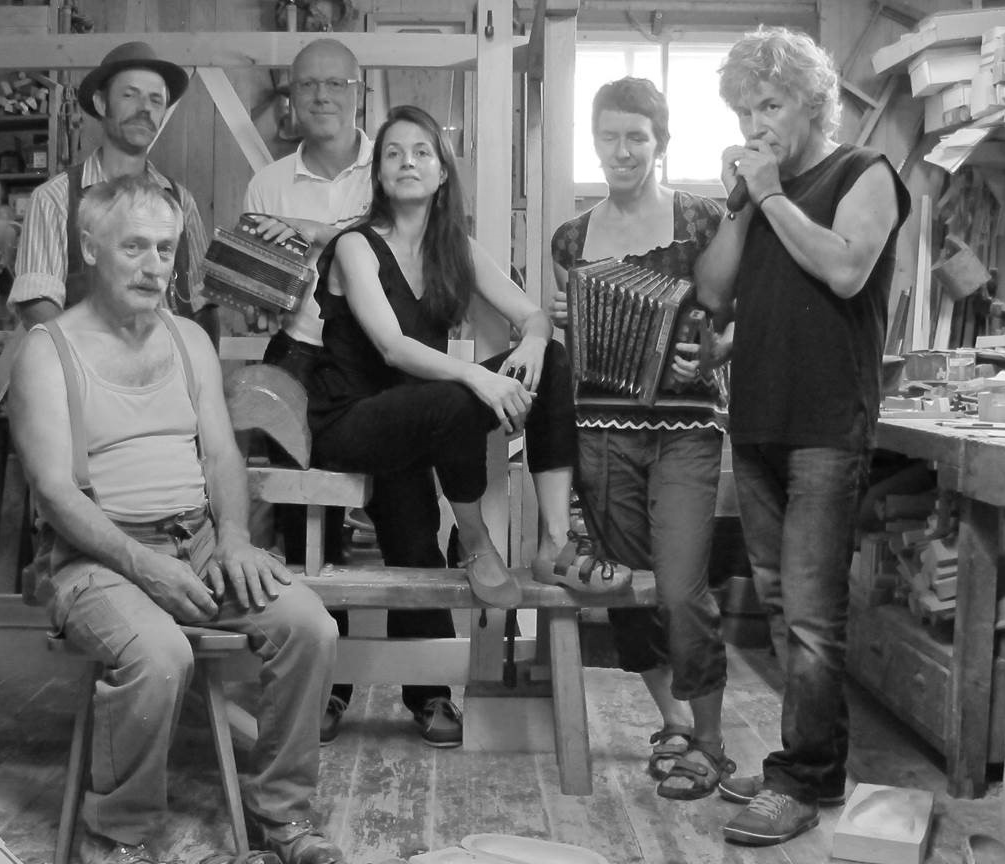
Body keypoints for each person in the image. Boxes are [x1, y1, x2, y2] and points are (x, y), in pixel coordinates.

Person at [8, 176, 342, 864]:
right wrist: (145, 567)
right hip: (96, 556)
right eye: (134, 247)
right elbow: (55, 494)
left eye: (164, 249)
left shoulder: (189, 339)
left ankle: (283, 813)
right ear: (90, 248)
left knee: (309, 626)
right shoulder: (47, 351)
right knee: (162, 654)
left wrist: (233, 538)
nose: (153, 265)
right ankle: (115, 835)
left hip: (198, 541)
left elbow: (220, 455)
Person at [306, 105, 632, 736]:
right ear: (378, 174)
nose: (407, 162)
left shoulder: (453, 248)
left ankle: (552, 544)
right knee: (457, 395)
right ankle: (478, 541)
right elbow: (394, 347)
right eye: (393, 153)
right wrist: (480, 377)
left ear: (442, 172)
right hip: (352, 422)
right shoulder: (354, 245)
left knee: (550, 363)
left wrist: (532, 340)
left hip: (423, 421)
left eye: (421, 152)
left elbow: (533, 314)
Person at [703, 27, 910, 845]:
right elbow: (716, 294)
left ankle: (805, 777)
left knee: (815, 619)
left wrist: (772, 197)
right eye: (745, 110)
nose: (756, 123)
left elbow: (847, 270)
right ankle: (807, 762)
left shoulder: (865, 173)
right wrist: (741, 203)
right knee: (783, 607)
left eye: (770, 104)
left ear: (813, 102)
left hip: (826, 422)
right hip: (756, 419)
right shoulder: (762, 195)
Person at [245, 39, 451, 747]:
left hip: (383, 356)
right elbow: (264, 283)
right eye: (308, 86)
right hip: (301, 355)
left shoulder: (392, 160)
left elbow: (409, 233)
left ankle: (430, 687)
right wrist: (252, 283)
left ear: (358, 93)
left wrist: (317, 234)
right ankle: (323, 688)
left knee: (410, 517)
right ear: (291, 96)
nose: (322, 96)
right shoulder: (269, 182)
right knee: (309, 527)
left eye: (336, 84)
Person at [550, 77, 734, 802]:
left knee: (682, 589)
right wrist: (567, 320)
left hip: (687, 427)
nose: (621, 150)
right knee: (624, 586)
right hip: (601, 430)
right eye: (609, 136)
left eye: (636, 136)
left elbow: (741, 312)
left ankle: (711, 744)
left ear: (661, 143)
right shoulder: (572, 238)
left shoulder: (702, 220)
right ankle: (674, 722)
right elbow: (575, 337)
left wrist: (715, 355)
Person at [9, 41, 218, 343]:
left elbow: (202, 303)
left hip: (169, 368)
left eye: (156, 100)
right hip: (87, 367)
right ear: (101, 103)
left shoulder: (181, 201)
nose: (145, 108)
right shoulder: (55, 199)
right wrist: (95, 362)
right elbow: (37, 305)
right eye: (130, 95)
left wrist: (201, 365)